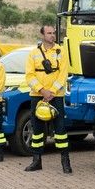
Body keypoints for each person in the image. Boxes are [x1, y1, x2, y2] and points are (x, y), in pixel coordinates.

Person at [24, 24, 72, 174]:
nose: (52, 35)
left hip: (56, 96)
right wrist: (42, 90)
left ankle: (65, 162)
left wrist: (51, 91)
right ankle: (36, 161)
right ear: (42, 35)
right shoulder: (33, 53)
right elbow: (29, 76)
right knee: (37, 130)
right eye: (49, 33)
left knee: (60, 130)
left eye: (53, 33)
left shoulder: (61, 51)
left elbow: (63, 74)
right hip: (37, 96)